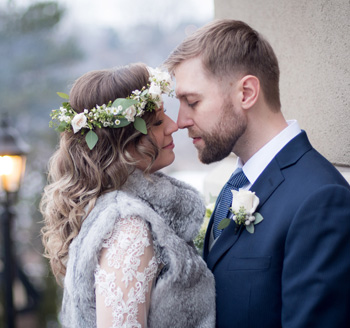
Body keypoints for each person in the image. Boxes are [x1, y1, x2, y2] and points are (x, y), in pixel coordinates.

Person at [164, 19, 350, 328]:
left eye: (192, 102)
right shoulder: (237, 183)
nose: (181, 120)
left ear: (247, 93)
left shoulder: (320, 201)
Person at [40, 63, 215, 328]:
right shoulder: (127, 227)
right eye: (157, 122)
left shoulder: (124, 212)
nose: (172, 126)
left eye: (164, 115)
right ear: (123, 144)